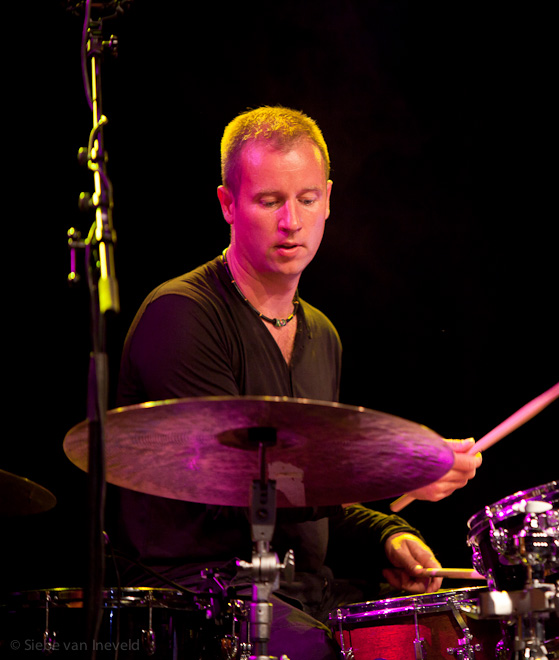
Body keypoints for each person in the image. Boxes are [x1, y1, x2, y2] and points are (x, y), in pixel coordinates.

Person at [111, 106, 480, 656]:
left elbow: (307, 485)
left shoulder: (322, 334)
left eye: (307, 199)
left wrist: (387, 534)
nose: (292, 221)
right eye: (269, 201)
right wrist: (393, 465)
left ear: (328, 199)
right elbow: (242, 485)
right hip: (203, 602)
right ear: (227, 204)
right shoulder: (182, 315)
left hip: (307, 597)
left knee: (452, 631)